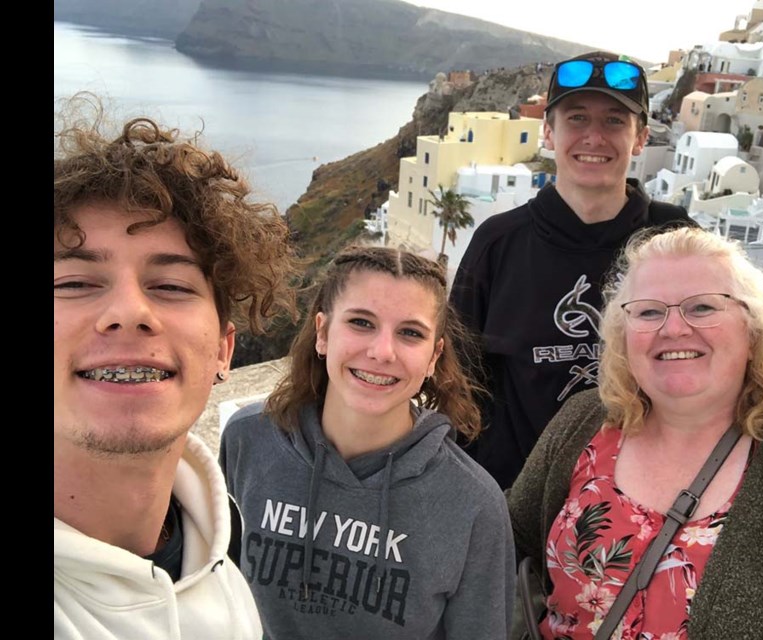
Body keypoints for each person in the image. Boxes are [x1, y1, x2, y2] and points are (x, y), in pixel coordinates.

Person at [508, 227, 763, 639]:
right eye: (648, 312)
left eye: (701, 308)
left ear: (754, 330)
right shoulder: (586, 421)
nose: (674, 328)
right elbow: (505, 544)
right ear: (623, 336)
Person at [54, 94, 300, 638]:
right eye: (73, 283)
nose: (128, 312)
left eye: (170, 285)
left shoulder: (224, 565)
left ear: (223, 351)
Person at [220, 246, 516, 639]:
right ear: (323, 332)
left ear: (433, 357)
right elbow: (216, 593)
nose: (381, 352)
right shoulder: (248, 440)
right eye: (361, 323)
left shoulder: (473, 503)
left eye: (410, 333)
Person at [450, 50, 691, 489]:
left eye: (615, 121)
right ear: (549, 133)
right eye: (576, 118)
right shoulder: (499, 244)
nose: (594, 137)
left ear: (640, 138)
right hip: (517, 507)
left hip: (649, 507)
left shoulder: (674, 237)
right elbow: (457, 380)